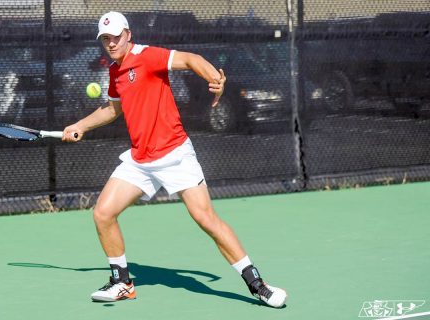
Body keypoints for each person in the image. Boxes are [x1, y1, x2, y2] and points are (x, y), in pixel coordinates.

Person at [62, 11, 287, 308]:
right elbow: (113, 109)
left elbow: (190, 59)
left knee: (205, 218)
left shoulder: (148, 57)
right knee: (103, 213)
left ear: (128, 34)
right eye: (105, 39)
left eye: (116, 36)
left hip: (175, 154)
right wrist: (81, 125)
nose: (111, 43)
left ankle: (258, 284)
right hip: (140, 159)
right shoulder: (116, 71)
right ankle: (122, 283)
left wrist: (214, 78)